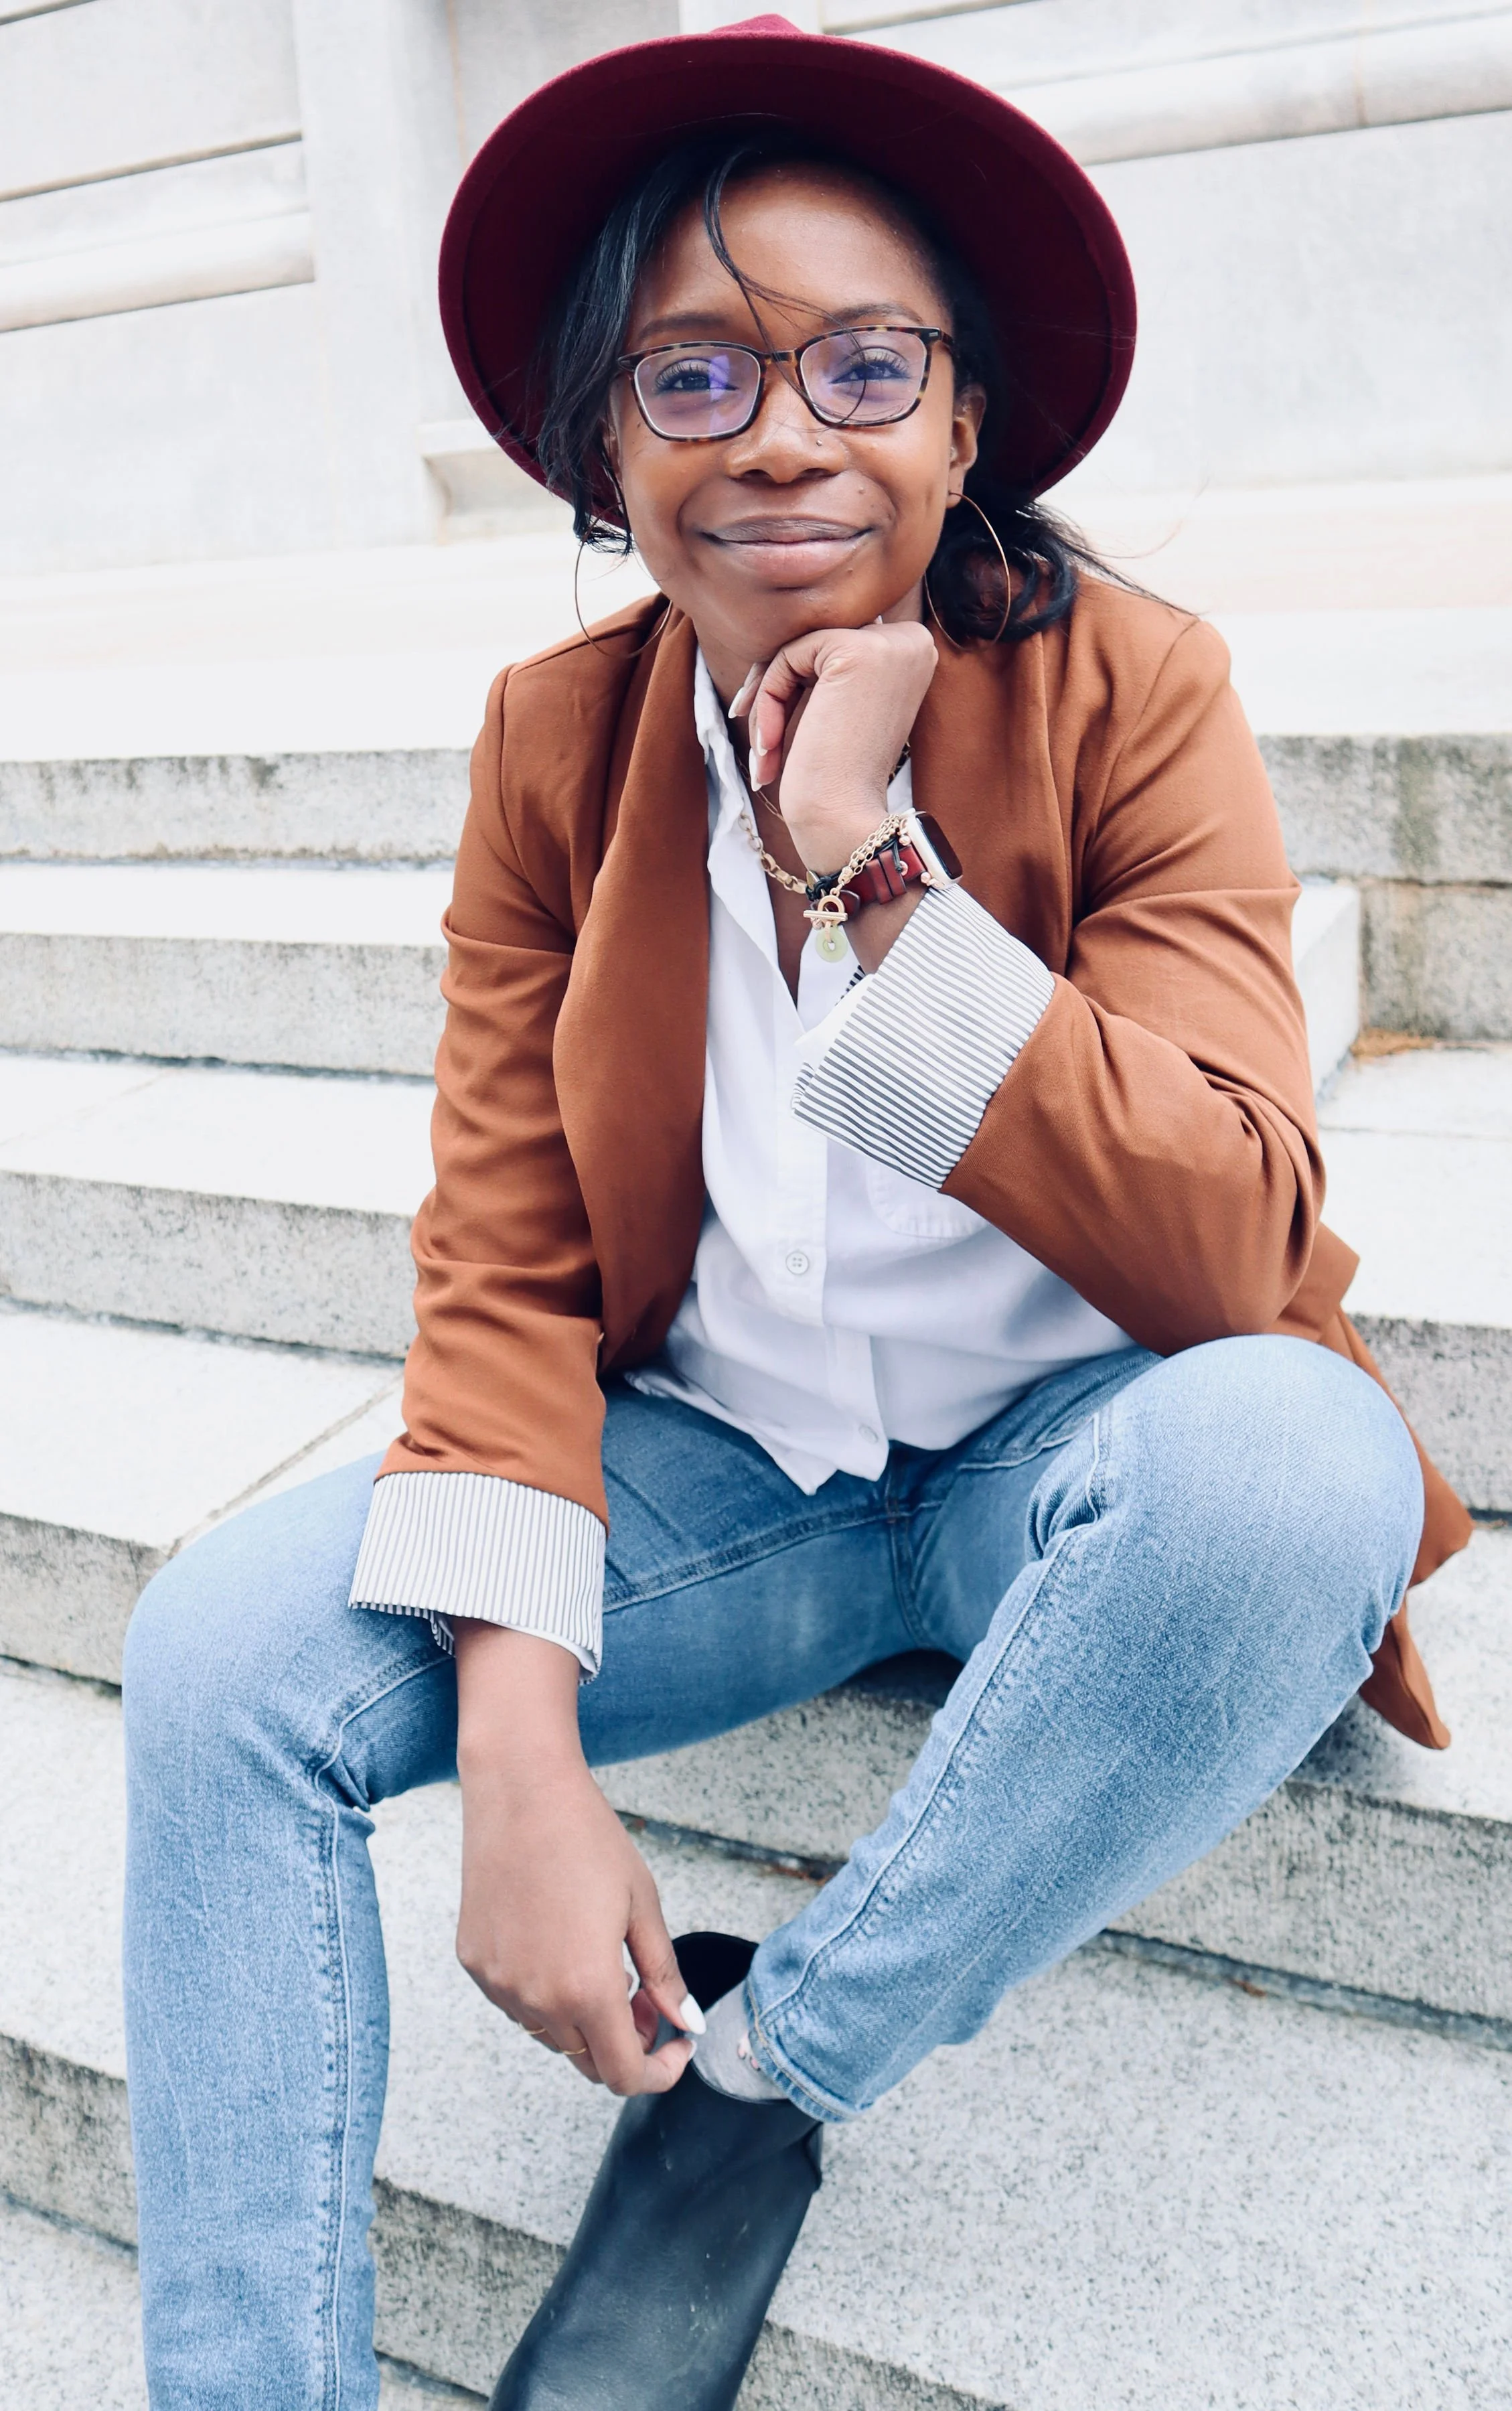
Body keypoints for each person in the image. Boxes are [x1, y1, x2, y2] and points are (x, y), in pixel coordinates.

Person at [121, 17, 1471, 2410]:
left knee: (1299, 1463)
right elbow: (508, 1246)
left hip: (1079, 1456)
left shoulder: (1138, 689)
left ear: (967, 426)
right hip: (736, 1486)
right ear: (604, 446)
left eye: (863, 362)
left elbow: (1240, 1244)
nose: (779, 431)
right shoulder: (556, 747)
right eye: (693, 372)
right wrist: (523, 1753)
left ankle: (763, 2091)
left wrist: (869, 868)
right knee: (227, 1657)